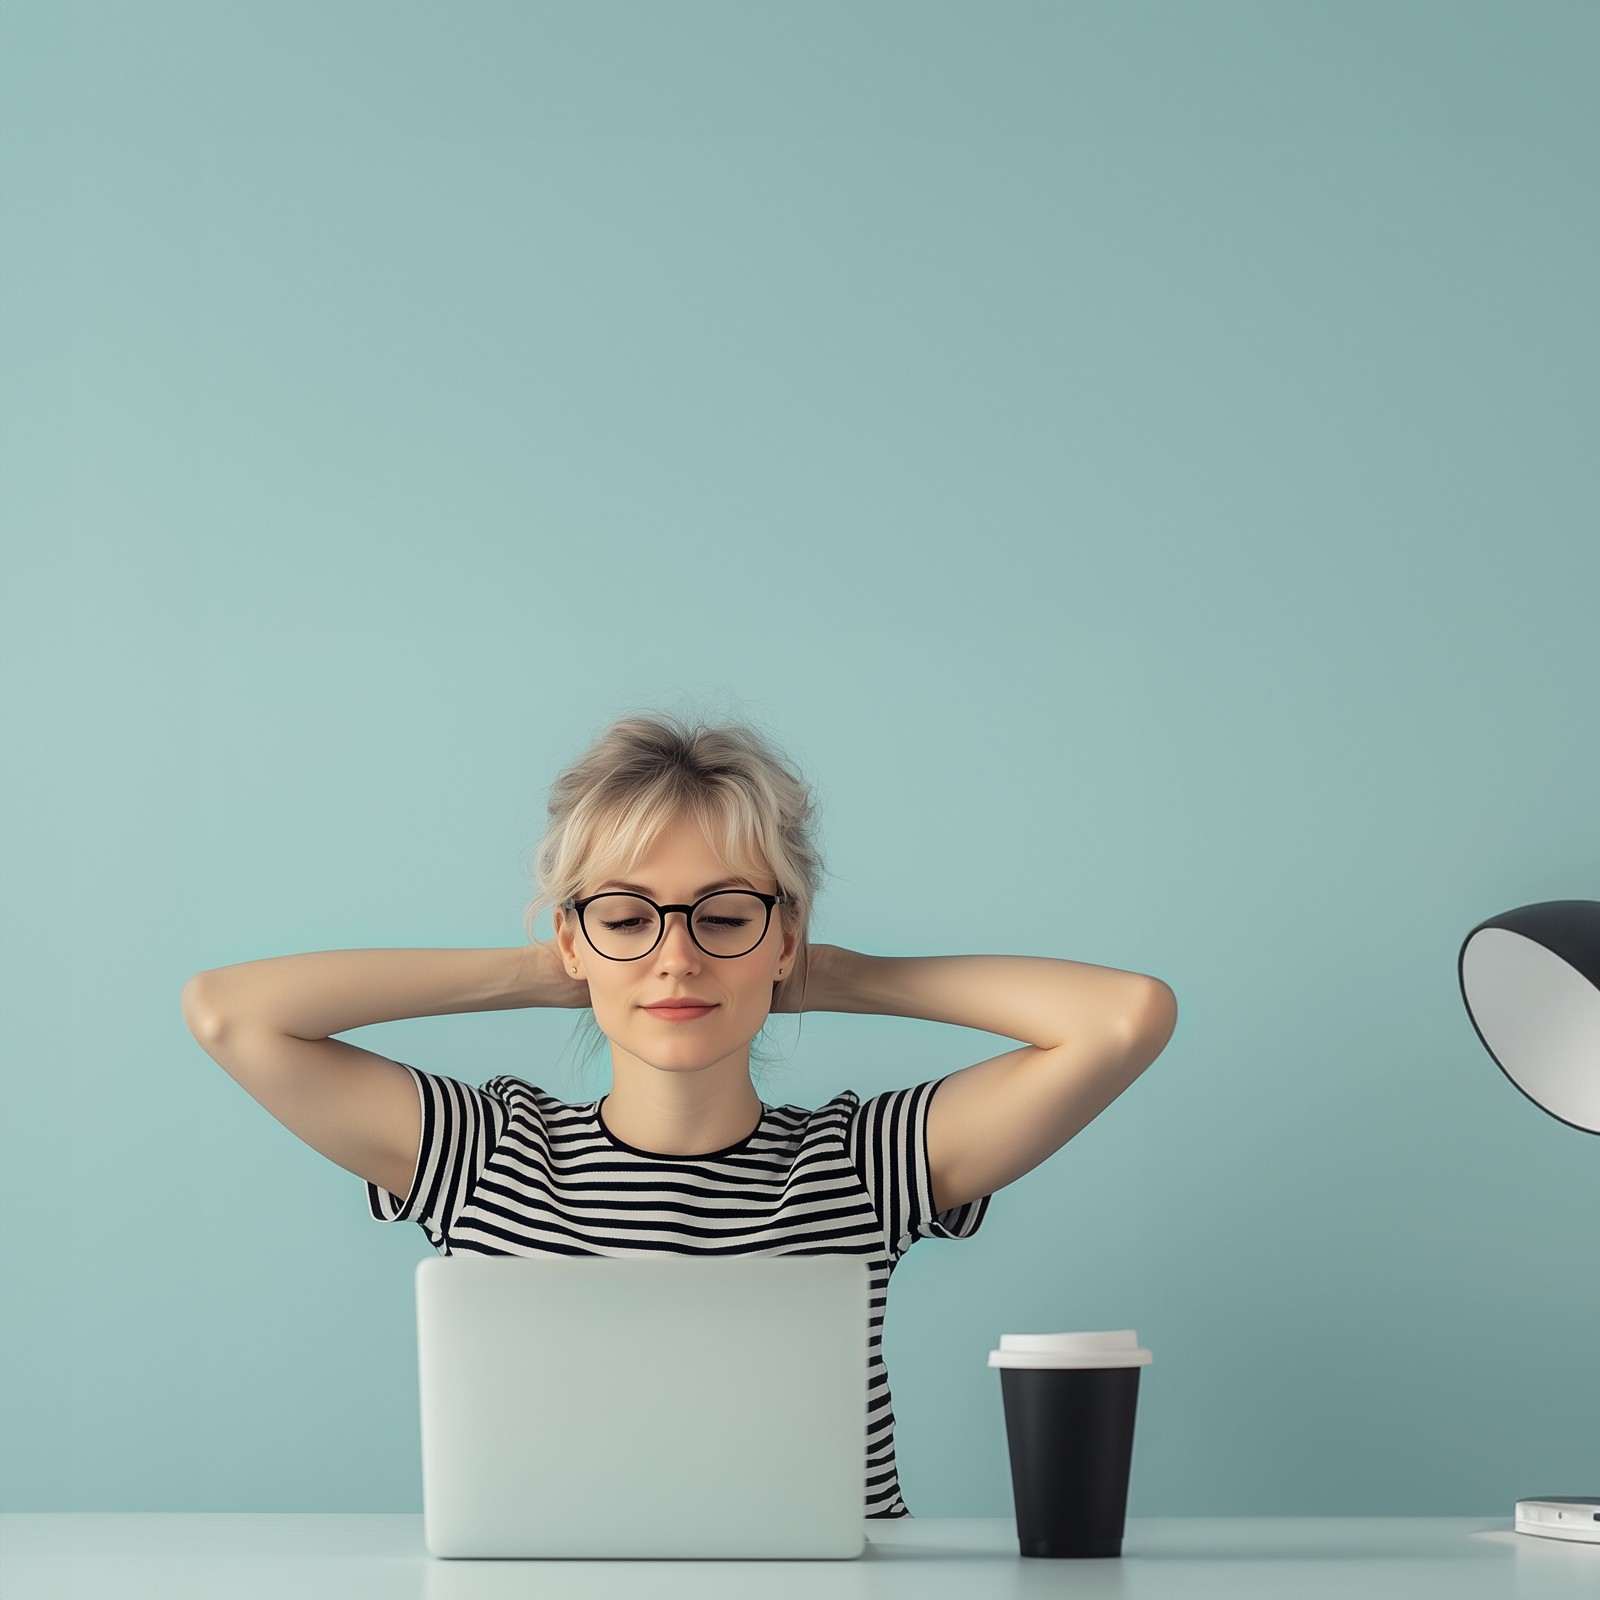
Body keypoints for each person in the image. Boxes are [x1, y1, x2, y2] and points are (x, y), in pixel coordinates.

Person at [182, 705, 1176, 1519]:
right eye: (625, 914)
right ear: (574, 936)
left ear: (783, 933)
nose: (676, 956)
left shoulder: (863, 1162)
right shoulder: (482, 1154)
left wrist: (826, 971)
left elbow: (1123, 1018)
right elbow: (230, 1013)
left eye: (726, 914)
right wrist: (548, 967)